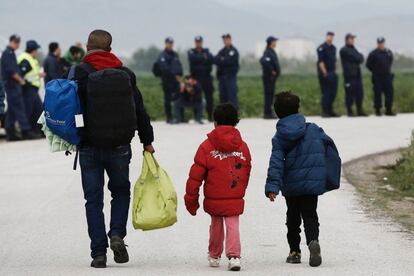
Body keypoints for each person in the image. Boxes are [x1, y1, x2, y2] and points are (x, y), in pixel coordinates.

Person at [72, 29, 154, 268]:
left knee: (93, 200)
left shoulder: (79, 73)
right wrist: (147, 141)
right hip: (119, 146)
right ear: (110, 49)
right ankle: (116, 233)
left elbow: (68, 108)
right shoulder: (125, 73)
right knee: (120, 192)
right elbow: (139, 110)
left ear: (88, 48)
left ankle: (98, 254)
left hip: (88, 146)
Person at [265, 91, 336, 267]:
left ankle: (295, 251)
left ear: (277, 113)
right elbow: (328, 147)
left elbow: (275, 163)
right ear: (298, 109)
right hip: (312, 183)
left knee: (293, 218)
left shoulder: (279, 137)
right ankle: (313, 241)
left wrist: (272, 186)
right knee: (310, 215)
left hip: (292, 185)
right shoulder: (314, 129)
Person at [185, 103, 251, 271]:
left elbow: (195, 176)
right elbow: (246, 169)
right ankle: (234, 256)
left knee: (216, 224)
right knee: (233, 223)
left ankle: (214, 255)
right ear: (236, 121)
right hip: (234, 194)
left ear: (214, 122)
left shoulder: (206, 146)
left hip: (214, 196)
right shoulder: (242, 146)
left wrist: (191, 200)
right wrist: (240, 189)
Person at [1, 34, 38, 141]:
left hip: (12, 85)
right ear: (14, 42)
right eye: (17, 43)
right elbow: (11, 71)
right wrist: (22, 81)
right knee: (20, 108)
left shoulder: (10, 53)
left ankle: (10, 133)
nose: (18, 45)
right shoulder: (8, 54)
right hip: (13, 85)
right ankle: (26, 131)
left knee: (12, 110)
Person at [18, 40, 45, 135]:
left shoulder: (31, 58)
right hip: (28, 89)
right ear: (33, 50)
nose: (37, 52)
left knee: (38, 110)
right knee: (30, 110)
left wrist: (39, 75)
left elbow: (31, 73)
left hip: (33, 89)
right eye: (36, 50)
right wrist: (25, 83)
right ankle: (27, 132)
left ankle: (37, 131)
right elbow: (21, 73)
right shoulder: (26, 59)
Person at [156, 37, 183, 123]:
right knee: (167, 99)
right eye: (168, 43)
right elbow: (165, 68)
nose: (170, 44)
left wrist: (179, 75)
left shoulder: (175, 55)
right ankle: (169, 117)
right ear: (166, 43)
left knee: (178, 98)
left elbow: (179, 66)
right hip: (167, 81)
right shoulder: (162, 55)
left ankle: (179, 117)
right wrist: (175, 75)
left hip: (176, 81)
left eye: (171, 43)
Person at [366, 37, 395, 116]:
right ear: (377, 43)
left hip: (387, 75)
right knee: (377, 93)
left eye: (382, 43)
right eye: (379, 43)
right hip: (377, 76)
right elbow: (368, 65)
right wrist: (375, 70)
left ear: (384, 43)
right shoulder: (373, 53)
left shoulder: (388, 52)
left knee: (389, 92)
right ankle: (378, 110)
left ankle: (388, 109)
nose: (381, 44)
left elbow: (390, 61)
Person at [188, 35, 214, 121]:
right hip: (196, 78)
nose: (198, 43)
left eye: (199, 42)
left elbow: (210, 60)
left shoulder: (207, 51)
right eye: (197, 42)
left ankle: (210, 116)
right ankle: (197, 116)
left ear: (202, 42)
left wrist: (198, 61)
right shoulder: (191, 52)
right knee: (196, 97)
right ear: (195, 43)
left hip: (207, 77)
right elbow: (192, 60)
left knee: (209, 97)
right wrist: (203, 58)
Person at [340, 33, 367, 117]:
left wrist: (359, 57)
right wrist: (358, 57)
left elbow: (361, 58)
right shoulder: (343, 50)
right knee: (350, 93)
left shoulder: (354, 49)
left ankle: (359, 110)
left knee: (359, 93)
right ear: (347, 40)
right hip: (349, 76)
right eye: (351, 39)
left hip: (357, 75)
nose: (353, 40)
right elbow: (357, 58)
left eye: (353, 39)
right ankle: (350, 111)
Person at [214, 34, 240, 108]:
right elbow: (215, 60)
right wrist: (222, 60)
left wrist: (222, 60)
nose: (225, 41)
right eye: (224, 40)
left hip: (230, 77)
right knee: (222, 97)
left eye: (226, 39)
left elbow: (229, 62)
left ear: (230, 40)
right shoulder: (222, 51)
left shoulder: (234, 51)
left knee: (232, 97)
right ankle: (223, 116)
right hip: (222, 77)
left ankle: (234, 115)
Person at [317, 32, 339, 117]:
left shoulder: (333, 48)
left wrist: (335, 71)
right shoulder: (321, 48)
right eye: (329, 36)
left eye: (332, 36)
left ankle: (330, 110)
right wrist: (324, 72)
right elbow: (321, 61)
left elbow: (334, 61)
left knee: (333, 93)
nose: (330, 38)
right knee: (326, 93)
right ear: (326, 37)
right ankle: (325, 111)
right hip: (325, 73)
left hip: (332, 72)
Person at [260, 36, 281, 119]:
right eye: (274, 41)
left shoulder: (272, 51)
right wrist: (271, 70)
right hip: (268, 78)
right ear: (271, 42)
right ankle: (267, 113)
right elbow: (264, 61)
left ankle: (268, 111)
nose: (275, 43)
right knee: (268, 94)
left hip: (271, 79)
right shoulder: (268, 52)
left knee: (270, 94)